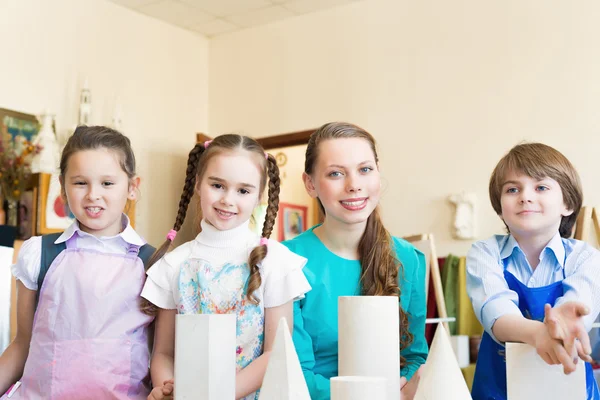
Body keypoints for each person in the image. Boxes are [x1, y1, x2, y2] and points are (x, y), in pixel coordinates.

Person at [141, 134, 311, 400]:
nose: (228, 200)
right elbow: (163, 353)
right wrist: (168, 389)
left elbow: (275, 353)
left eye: (243, 190)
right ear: (198, 183)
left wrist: (218, 394)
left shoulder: (275, 261)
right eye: (217, 185)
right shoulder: (173, 264)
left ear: (259, 196)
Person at [0, 126, 155, 399]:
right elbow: (22, 343)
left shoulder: (153, 264)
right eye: (80, 182)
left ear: (132, 187)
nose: (93, 194)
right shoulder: (40, 253)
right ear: (63, 187)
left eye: (107, 183)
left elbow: (162, 355)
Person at [283, 122, 428, 400]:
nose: (354, 185)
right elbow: (293, 370)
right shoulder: (286, 261)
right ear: (310, 184)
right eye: (336, 173)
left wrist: (398, 389)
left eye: (365, 170)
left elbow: (415, 355)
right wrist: (369, 396)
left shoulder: (408, 258)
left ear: (377, 172)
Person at [467, 142, 600, 399]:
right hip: (497, 391)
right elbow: (496, 311)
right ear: (500, 206)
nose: (525, 196)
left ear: (568, 204)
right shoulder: (484, 253)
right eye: (512, 189)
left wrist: (565, 319)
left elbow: (580, 303)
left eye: (541, 187)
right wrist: (539, 333)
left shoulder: (587, 258)